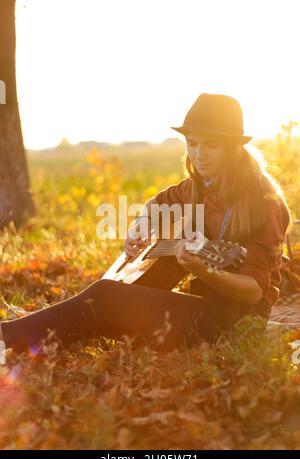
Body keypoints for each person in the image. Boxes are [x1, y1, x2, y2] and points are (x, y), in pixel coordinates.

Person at [0, 93, 291, 354]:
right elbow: (158, 203)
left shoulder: (263, 202)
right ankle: (27, 341)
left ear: (232, 148)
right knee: (114, 299)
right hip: (202, 304)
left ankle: (6, 337)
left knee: (105, 297)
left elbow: (253, 290)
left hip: (234, 322)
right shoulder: (203, 185)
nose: (199, 155)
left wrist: (204, 271)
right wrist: (141, 225)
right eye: (192, 144)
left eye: (211, 146)